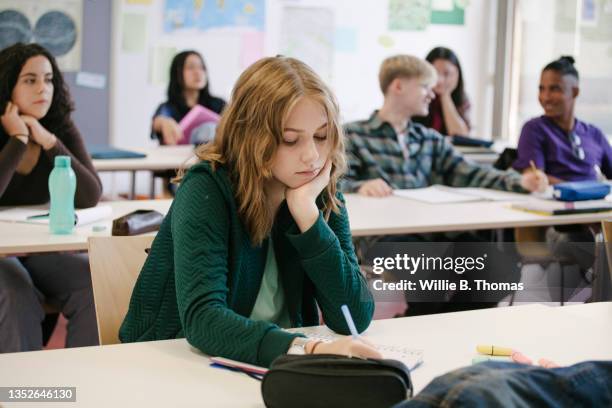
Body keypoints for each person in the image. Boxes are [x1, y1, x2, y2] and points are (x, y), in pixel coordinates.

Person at [120, 57, 381, 367]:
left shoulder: (317, 190)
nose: (312, 156)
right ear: (252, 137)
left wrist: (308, 218)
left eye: (321, 136)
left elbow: (355, 315)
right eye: (290, 140)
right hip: (175, 363)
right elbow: (204, 321)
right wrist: (307, 350)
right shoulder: (207, 188)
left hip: (271, 365)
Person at [0, 43, 101, 352]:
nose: (43, 89)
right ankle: (23, 397)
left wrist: (48, 141)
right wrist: (18, 139)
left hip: (36, 247)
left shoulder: (58, 127)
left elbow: (90, 194)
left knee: (92, 281)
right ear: (8, 86)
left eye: (49, 79)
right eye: (30, 80)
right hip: (3, 252)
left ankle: (80, 387)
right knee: (17, 293)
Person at [342, 54, 546, 198]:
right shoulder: (353, 135)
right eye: (425, 87)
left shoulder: (429, 139)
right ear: (398, 86)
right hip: (384, 239)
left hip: (426, 231)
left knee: (482, 247)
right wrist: (361, 186)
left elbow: (472, 172)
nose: (432, 95)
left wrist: (520, 181)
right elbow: (332, 186)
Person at [513, 56, 612, 183]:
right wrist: (583, 190)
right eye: (541, 89)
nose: (545, 97)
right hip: (554, 201)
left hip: (596, 201)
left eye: (554, 89)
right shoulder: (534, 129)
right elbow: (535, 179)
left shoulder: (594, 134)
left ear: (574, 92)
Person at [151, 50, 226, 145]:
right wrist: (162, 122)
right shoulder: (168, 108)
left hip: (212, 156)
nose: (198, 72)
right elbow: (158, 121)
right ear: (177, 73)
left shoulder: (219, 104)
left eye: (201, 67)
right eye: (191, 67)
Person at [413, 47, 470, 136]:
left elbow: (460, 136)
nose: (440, 80)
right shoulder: (416, 96)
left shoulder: (462, 99)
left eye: (446, 74)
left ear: (457, 75)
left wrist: (445, 96)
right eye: (434, 73)